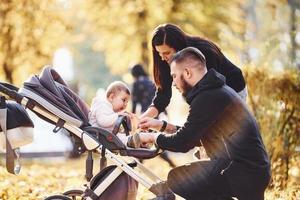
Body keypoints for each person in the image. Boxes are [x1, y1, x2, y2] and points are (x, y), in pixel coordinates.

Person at [138, 47, 271, 200]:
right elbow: (194, 135)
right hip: (252, 170)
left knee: (179, 178)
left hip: (243, 172)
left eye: (174, 76)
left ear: (187, 73)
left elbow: (183, 142)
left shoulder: (208, 97)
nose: (173, 83)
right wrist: (161, 125)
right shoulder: (217, 90)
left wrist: (150, 138)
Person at [141, 23, 247, 119]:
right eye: (159, 53)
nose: (163, 58)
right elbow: (162, 96)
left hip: (233, 88)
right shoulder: (164, 60)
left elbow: (211, 91)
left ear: (177, 47)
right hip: (208, 95)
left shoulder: (204, 52)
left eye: (167, 53)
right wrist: (142, 119)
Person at [89, 81, 139, 148]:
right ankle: (133, 141)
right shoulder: (102, 106)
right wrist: (117, 115)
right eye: (124, 100)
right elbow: (102, 121)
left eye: (127, 102)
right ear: (111, 97)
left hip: (106, 134)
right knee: (122, 139)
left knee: (123, 136)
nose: (125, 105)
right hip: (100, 136)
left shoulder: (109, 107)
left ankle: (137, 141)